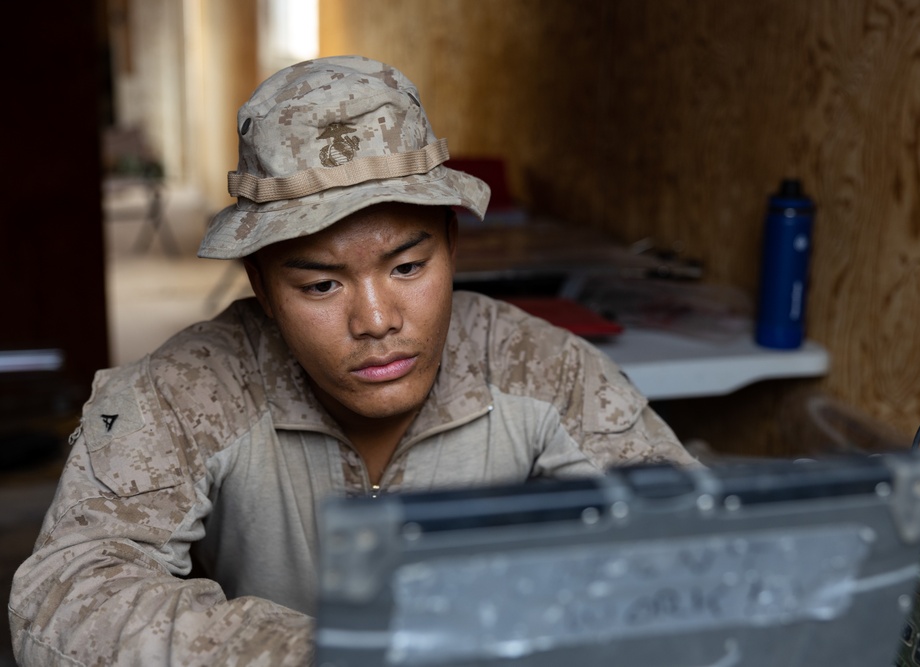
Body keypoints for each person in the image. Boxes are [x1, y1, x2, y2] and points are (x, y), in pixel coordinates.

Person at [9, 55, 699, 666]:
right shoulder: (182, 386)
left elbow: (697, 552)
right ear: (261, 282)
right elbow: (65, 596)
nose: (376, 322)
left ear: (452, 242)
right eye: (321, 285)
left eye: (407, 265)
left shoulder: (540, 367)